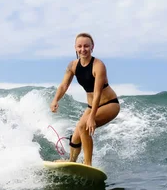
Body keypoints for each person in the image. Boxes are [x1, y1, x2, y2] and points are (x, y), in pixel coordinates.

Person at [50, 33, 120, 167]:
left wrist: (92, 117)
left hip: (109, 104)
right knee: (75, 138)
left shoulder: (98, 65)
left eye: (86, 46)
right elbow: (64, 85)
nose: (83, 49)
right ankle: (72, 161)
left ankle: (88, 164)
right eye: (80, 46)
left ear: (92, 47)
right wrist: (55, 100)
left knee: (84, 127)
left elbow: (98, 93)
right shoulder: (72, 66)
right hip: (91, 106)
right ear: (75, 48)